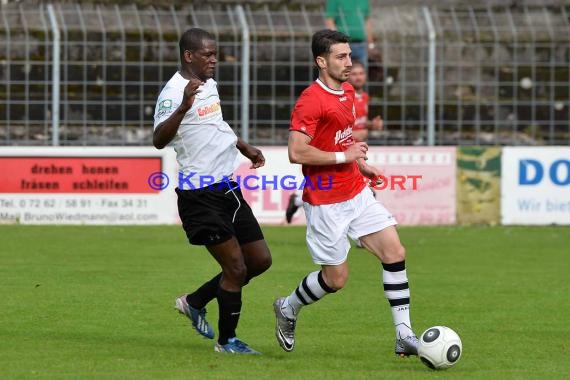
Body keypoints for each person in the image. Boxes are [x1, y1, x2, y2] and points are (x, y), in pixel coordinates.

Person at [273, 29, 419, 357]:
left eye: (350, 56)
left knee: (395, 252)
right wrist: (344, 157)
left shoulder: (349, 91)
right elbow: (297, 152)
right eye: (341, 57)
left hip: (356, 192)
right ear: (321, 61)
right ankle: (288, 306)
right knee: (336, 279)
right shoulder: (310, 101)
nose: (349, 62)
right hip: (325, 201)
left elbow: (342, 137)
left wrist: (360, 163)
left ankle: (404, 335)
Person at [153, 28, 272, 355]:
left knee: (259, 261)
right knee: (236, 269)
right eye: (207, 54)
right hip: (199, 196)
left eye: (215, 53)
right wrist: (182, 106)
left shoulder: (210, 85)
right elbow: (158, 139)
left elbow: (215, 124)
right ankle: (227, 341)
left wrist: (243, 145)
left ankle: (195, 301)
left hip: (227, 187)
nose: (214, 59)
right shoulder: (173, 92)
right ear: (189, 55)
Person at [285, 60, 382, 224]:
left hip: (354, 152)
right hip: (343, 152)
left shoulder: (361, 96)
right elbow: (342, 129)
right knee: (361, 193)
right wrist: (363, 132)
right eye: (355, 74)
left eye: (361, 74)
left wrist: (371, 125)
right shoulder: (329, 97)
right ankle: (298, 200)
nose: (358, 77)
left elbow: (352, 126)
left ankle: (296, 199)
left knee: (359, 194)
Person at [325, 0, 375, 65]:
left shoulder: (364, 1)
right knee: (343, 72)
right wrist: (337, 42)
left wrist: (371, 44)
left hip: (361, 45)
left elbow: (367, 22)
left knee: (360, 73)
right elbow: (330, 21)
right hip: (343, 45)